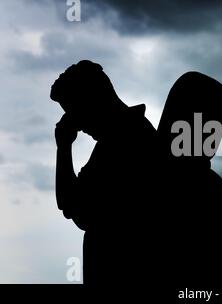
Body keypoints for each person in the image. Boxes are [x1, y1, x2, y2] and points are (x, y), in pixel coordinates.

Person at [51, 60, 158, 285]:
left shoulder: (126, 141)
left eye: (74, 111)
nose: (76, 124)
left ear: (93, 100)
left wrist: (64, 147)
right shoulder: (120, 139)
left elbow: (73, 207)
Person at [157, 71, 222, 285]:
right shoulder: (208, 187)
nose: (216, 134)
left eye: (218, 125)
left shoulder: (148, 169)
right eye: (210, 125)